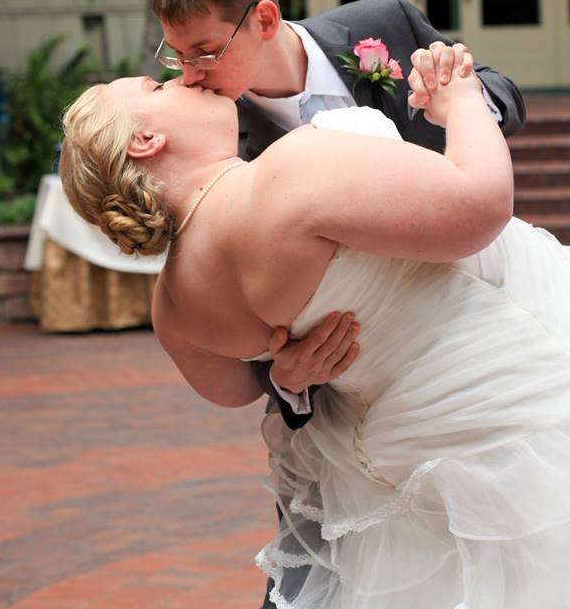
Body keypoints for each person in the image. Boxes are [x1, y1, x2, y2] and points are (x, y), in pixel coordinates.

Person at [59, 69, 570, 608]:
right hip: (524, 384)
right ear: (146, 141)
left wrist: (283, 374)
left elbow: (237, 390)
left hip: (405, 465)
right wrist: (463, 102)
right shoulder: (288, 171)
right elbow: (481, 206)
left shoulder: (174, 308)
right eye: (157, 89)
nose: (183, 78)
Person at [151, 0, 526, 428]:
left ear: (264, 19)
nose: (190, 75)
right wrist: (284, 380)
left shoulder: (383, 20)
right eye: (177, 56)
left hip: (481, 318)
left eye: (204, 52)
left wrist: (464, 101)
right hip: (368, 400)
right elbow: (248, 322)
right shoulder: (218, 145)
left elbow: (502, 91)